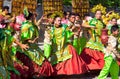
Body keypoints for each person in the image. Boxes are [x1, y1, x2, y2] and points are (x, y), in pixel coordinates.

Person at [16, 11, 53, 78]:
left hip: (34, 46)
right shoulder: (26, 25)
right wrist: (31, 41)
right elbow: (24, 37)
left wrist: (41, 19)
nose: (35, 17)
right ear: (31, 17)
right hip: (28, 47)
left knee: (43, 60)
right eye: (34, 16)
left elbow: (36, 25)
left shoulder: (31, 24)